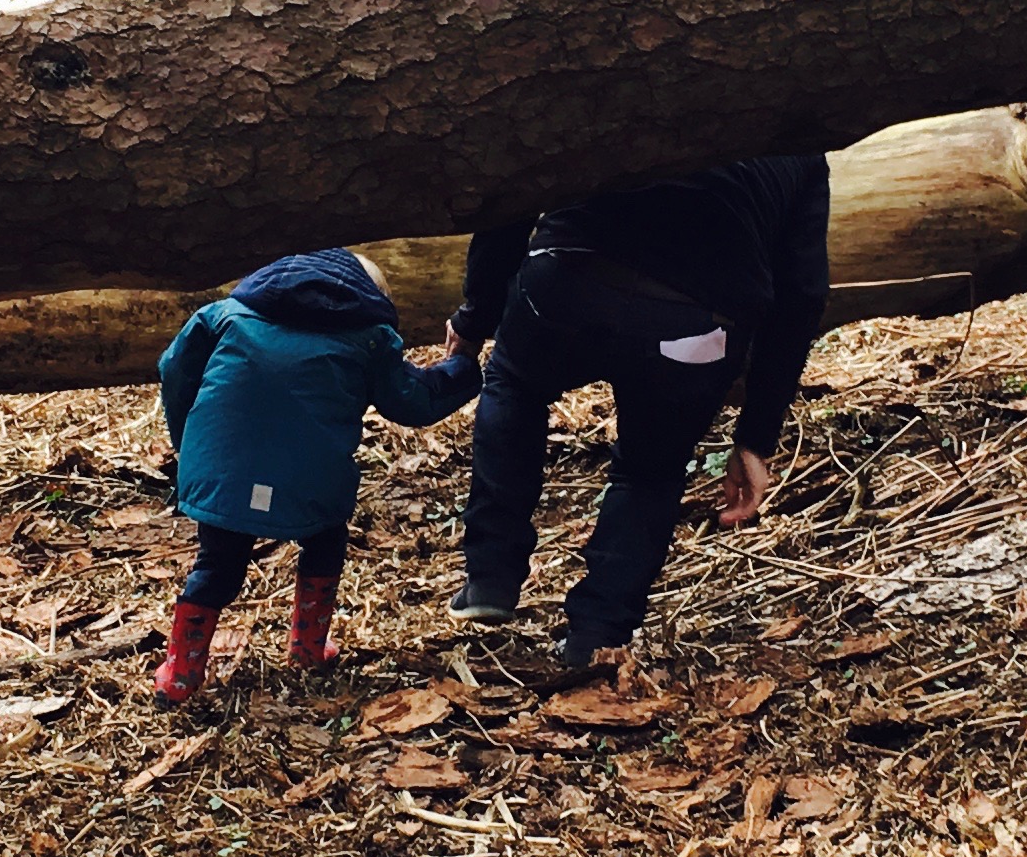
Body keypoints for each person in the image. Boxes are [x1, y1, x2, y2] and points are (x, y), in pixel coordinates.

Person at [450, 154, 833, 671]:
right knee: (651, 471)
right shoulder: (801, 137)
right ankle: (597, 634)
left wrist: (475, 319)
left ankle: (491, 574)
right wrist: (756, 436)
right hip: (696, 326)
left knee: (516, 385)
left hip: (567, 281)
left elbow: (511, 199)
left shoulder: (626, 77)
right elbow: (802, 295)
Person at [151, 250, 479, 703]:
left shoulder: (223, 316)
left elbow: (173, 369)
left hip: (223, 476)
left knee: (217, 565)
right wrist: (462, 367)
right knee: (325, 542)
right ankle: (307, 647)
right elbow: (413, 402)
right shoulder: (369, 339)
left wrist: (189, 442)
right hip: (312, 483)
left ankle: (180, 673)